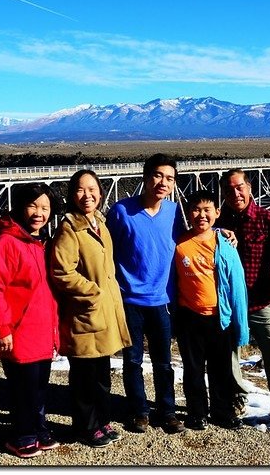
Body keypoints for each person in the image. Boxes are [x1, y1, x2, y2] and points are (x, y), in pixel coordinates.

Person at [0, 182, 61, 458]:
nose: (39, 213)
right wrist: (2, 328)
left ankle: (37, 428)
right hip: (18, 332)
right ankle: (21, 435)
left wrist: (55, 332)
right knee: (23, 388)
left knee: (38, 386)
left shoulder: (39, 243)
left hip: (42, 331)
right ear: (20, 206)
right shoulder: (6, 243)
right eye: (33, 205)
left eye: (45, 207)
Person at [50, 170, 132, 448]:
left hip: (102, 313)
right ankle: (86, 427)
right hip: (85, 314)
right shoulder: (69, 229)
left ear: (100, 192)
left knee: (101, 375)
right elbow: (62, 271)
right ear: (72, 195)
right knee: (84, 378)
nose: (88, 196)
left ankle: (102, 421)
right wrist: (93, 293)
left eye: (92, 189)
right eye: (81, 190)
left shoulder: (100, 223)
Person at [105, 153, 187, 434]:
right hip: (129, 300)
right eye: (158, 176)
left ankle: (167, 411)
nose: (163, 183)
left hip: (162, 301)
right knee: (133, 361)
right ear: (145, 176)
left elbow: (192, 240)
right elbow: (106, 251)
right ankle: (139, 411)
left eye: (170, 179)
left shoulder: (175, 212)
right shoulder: (120, 211)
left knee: (164, 363)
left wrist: (222, 232)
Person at [217, 168, 270, 428]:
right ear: (223, 193)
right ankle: (236, 399)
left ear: (249, 187)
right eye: (229, 189)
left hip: (259, 302)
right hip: (228, 302)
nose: (235, 193)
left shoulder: (266, 219)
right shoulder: (215, 221)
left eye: (239, 187)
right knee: (227, 355)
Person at [173, 189, 249, 431]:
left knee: (221, 369)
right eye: (195, 210)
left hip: (219, 316)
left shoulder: (224, 243)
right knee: (193, 369)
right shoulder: (179, 243)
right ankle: (197, 413)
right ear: (188, 213)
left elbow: (237, 282)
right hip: (189, 317)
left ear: (217, 212)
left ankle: (222, 411)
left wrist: (240, 320)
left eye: (207, 210)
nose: (201, 215)